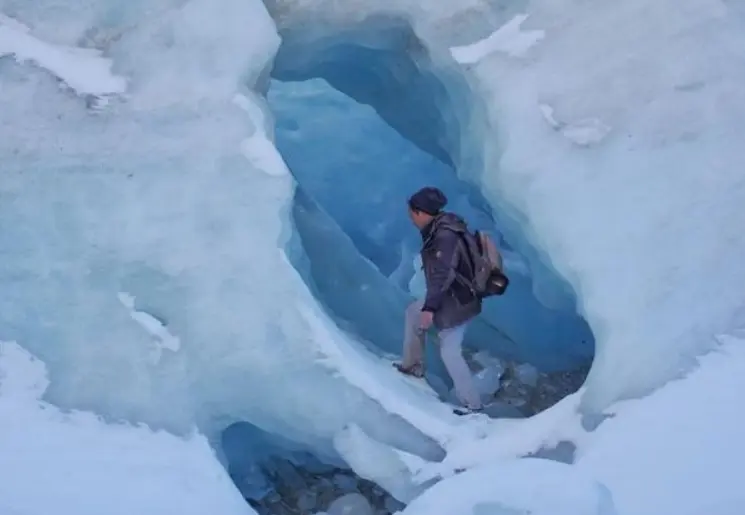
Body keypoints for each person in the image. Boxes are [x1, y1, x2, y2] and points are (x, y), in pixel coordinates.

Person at [394, 186, 483, 413]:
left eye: (411, 213)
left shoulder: (444, 236)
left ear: (420, 212)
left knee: (450, 351)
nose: (411, 219)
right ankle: (413, 365)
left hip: (458, 300)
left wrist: (430, 308)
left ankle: (472, 405)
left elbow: (442, 274)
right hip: (453, 294)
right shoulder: (443, 226)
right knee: (413, 312)